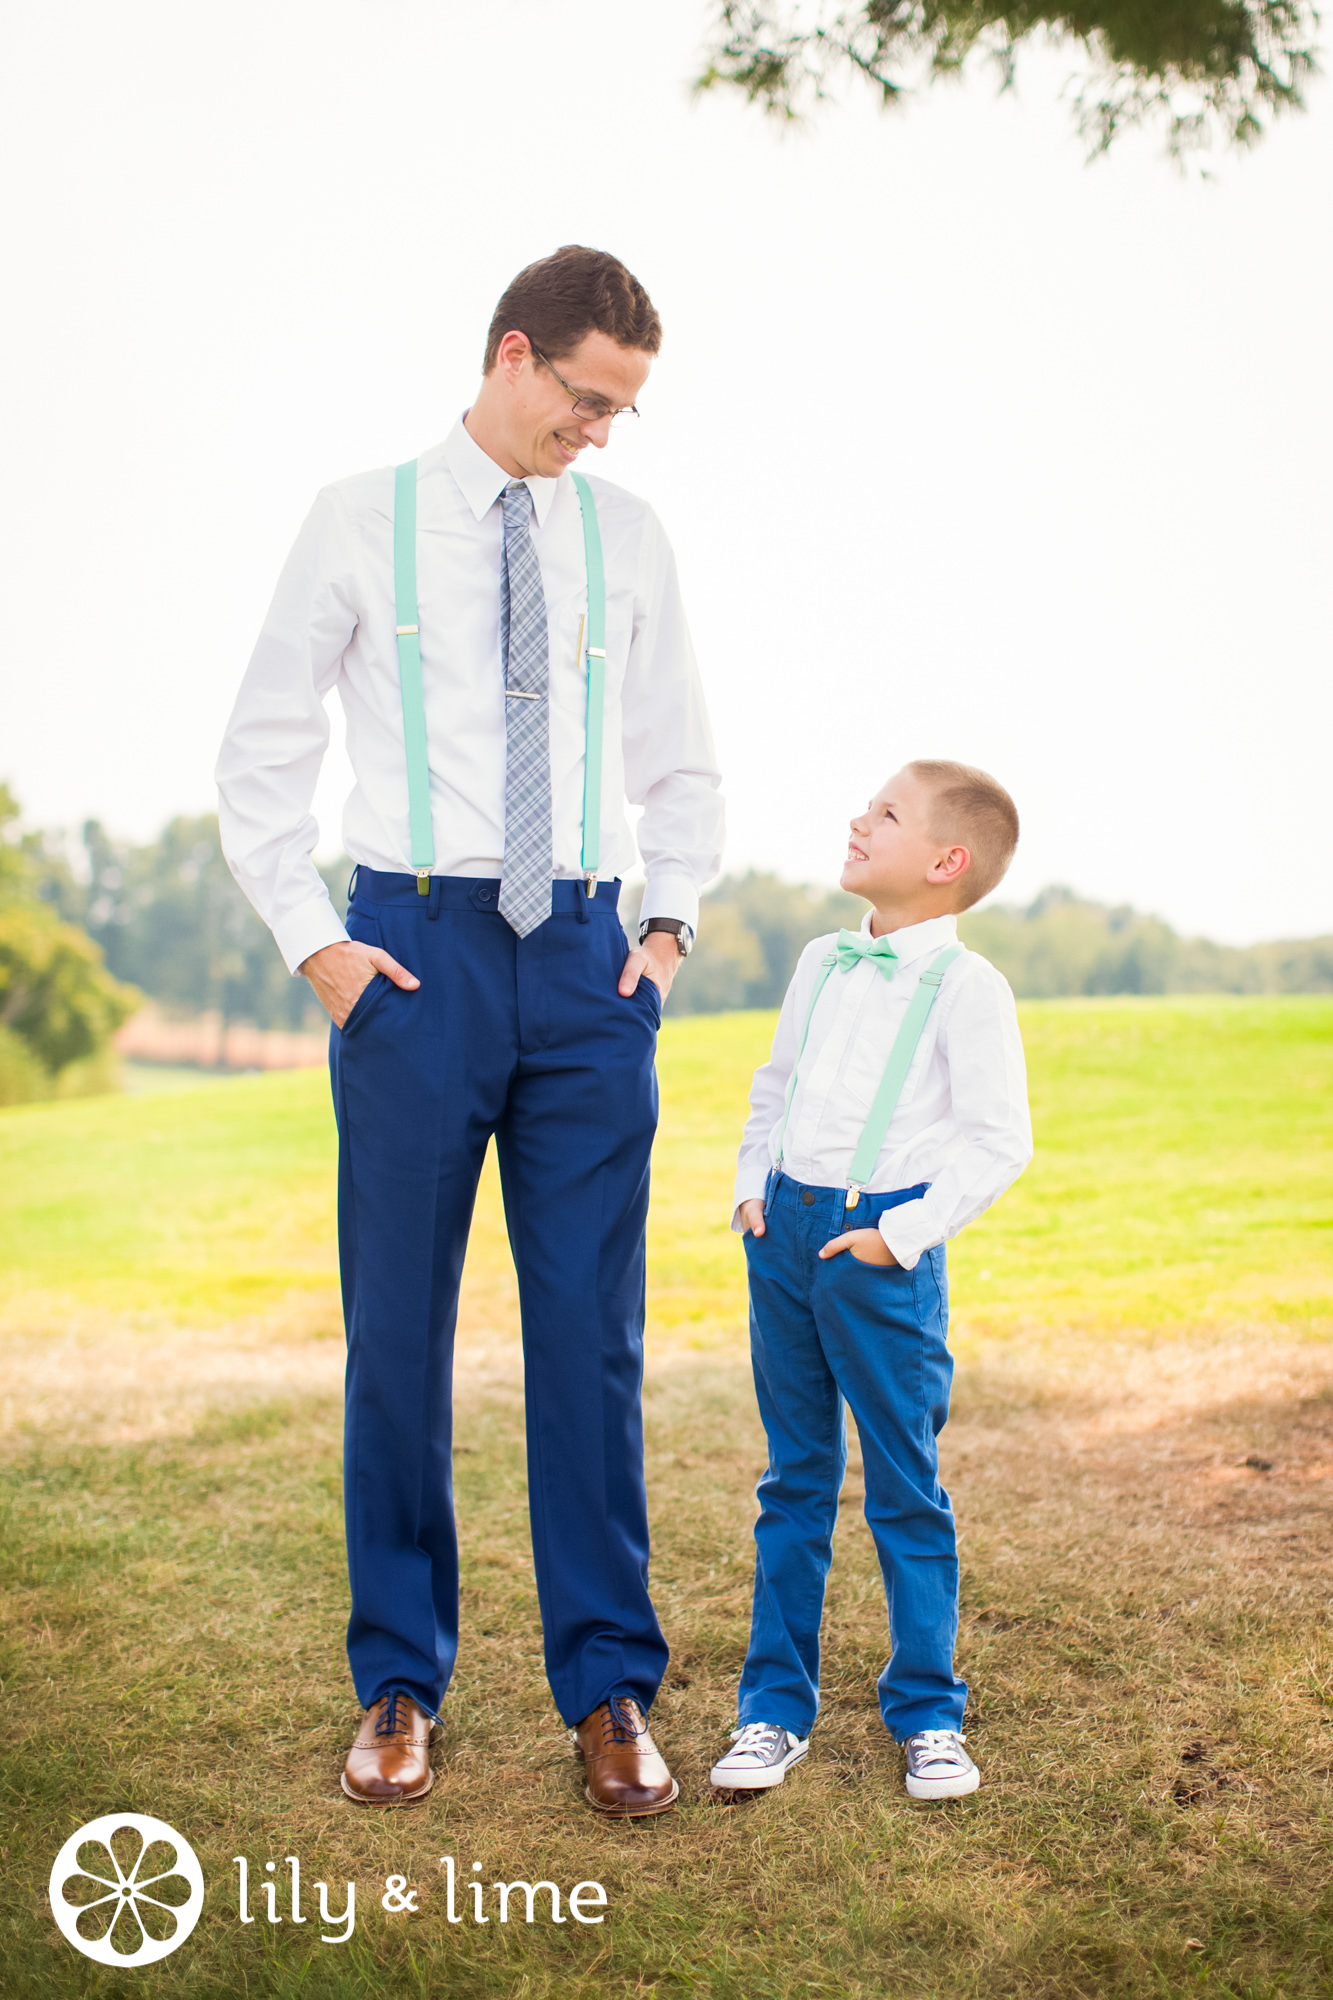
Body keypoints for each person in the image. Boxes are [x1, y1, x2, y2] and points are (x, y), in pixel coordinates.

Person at [216, 245, 723, 1815]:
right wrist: (324, 954)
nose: (600, 434)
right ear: (513, 355)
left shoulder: (627, 539)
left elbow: (681, 764)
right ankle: (396, 1681)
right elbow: (258, 759)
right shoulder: (356, 518)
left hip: (583, 962)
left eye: (622, 410)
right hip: (412, 953)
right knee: (399, 1341)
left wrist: (663, 926)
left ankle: (609, 1690)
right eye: (585, 400)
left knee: (591, 1339)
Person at [709, 761, 1032, 1802]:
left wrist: (904, 1234)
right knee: (793, 1478)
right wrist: (752, 1185)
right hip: (786, 1233)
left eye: (885, 813)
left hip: (880, 1249)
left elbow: (998, 1139)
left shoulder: (969, 987)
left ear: (946, 863)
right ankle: (771, 1709)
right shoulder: (823, 959)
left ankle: (929, 1713)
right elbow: (777, 1084)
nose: (858, 817)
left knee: (903, 1486)